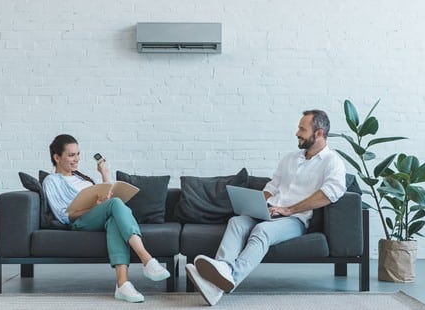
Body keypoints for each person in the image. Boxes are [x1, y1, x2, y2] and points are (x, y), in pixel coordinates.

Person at [185, 110, 347, 306]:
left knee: (262, 231)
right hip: (269, 211)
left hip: (295, 219)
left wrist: (289, 209)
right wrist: (257, 203)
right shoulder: (290, 158)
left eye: (302, 129)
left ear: (319, 133)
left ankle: (226, 281)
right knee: (236, 222)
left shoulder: (333, 162)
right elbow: (272, 187)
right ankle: (221, 270)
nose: (297, 133)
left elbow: (330, 193)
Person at [43, 134, 170, 303]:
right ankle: (146, 259)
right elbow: (64, 215)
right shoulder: (52, 181)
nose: (77, 159)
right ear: (57, 157)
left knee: (113, 221)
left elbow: (106, 199)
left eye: (78, 154)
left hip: (99, 217)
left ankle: (122, 284)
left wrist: (105, 175)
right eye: (71, 155)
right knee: (115, 204)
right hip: (79, 222)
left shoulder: (83, 178)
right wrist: (95, 207)